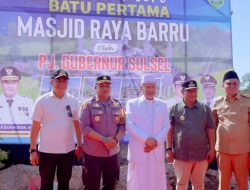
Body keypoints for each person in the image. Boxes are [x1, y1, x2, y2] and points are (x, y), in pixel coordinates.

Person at [29, 69, 83, 190]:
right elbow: (35, 127)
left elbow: (77, 125)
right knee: (46, 184)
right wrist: (32, 150)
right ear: (51, 81)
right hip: (46, 151)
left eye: (64, 80)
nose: (61, 83)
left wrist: (79, 145)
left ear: (67, 83)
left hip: (67, 151)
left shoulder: (74, 101)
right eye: (58, 80)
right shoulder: (41, 101)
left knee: (64, 184)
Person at [166, 79, 215, 190]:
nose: (192, 93)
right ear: (182, 92)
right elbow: (169, 130)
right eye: (189, 91)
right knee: (181, 184)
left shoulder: (205, 109)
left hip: (201, 155)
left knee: (198, 184)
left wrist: (212, 149)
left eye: (194, 90)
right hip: (181, 155)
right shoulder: (175, 109)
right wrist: (168, 149)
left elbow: (210, 130)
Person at [79, 75, 125, 190]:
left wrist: (114, 140)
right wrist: (104, 140)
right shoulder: (87, 105)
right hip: (93, 154)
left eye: (107, 86)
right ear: (96, 87)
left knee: (110, 186)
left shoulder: (118, 105)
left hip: (113, 154)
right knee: (91, 186)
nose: (105, 88)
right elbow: (85, 128)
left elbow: (123, 126)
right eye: (101, 86)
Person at [126, 74, 170, 190]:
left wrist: (154, 141)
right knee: (138, 184)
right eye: (147, 87)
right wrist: (147, 140)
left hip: (156, 150)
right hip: (140, 151)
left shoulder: (163, 104)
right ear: (142, 88)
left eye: (153, 87)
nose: (150, 90)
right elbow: (130, 125)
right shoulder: (132, 104)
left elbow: (166, 126)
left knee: (157, 184)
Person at [212, 71, 250, 190]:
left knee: (242, 184)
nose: (232, 86)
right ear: (223, 86)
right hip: (223, 151)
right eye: (229, 84)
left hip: (242, 151)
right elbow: (213, 126)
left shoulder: (247, 101)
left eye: (235, 83)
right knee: (223, 185)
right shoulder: (218, 102)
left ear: (239, 85)